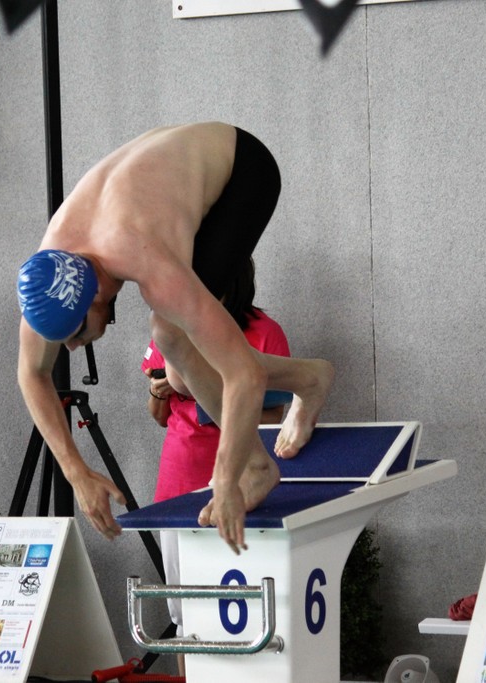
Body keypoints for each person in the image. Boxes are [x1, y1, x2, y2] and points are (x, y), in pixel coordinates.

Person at [16, 122, 334, 554]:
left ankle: (258, 466)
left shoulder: (146, 260)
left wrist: (227, 478)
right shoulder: (50, 274)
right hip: (164, 181)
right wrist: (77, 473)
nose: (72, 347)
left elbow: (245, 377)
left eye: (76, 334)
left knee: (170, 332)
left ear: (96, 294)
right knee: (180, 366)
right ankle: (308, 378)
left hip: (242, 170)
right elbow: (31, 373)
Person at [142, 257, 290, 673]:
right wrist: (161, 390)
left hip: (243, 485)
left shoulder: (265, 332)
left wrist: (208, 391)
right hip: (179, 479)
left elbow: (274, 418)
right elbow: (158, 416)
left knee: (251, 614)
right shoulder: (172, 328)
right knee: (185, 614)